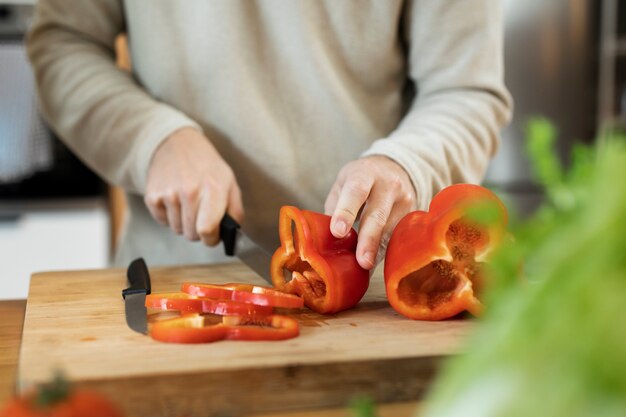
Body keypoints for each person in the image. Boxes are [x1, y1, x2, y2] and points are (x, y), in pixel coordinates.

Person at [26, 0, 511, 271]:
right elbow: (64, 42)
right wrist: (152, 140)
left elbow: (464, 89)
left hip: (372, 287)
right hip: (172, 277)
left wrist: (404, 162)